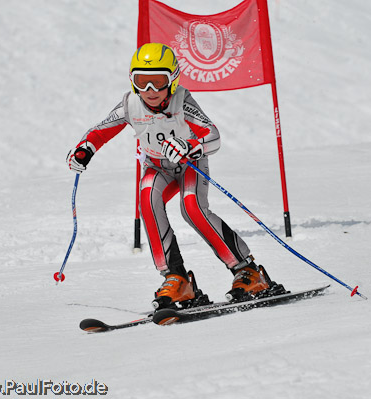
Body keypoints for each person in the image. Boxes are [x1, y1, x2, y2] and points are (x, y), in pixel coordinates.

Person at [67, 43, 285, 309]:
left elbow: (213, 135)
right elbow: (100, 130)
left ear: (172, 80)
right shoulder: (130, 104)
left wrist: (190, 147)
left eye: (157, 82)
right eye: (141, 81)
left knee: (192, 207)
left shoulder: (183, 101)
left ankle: (247, 270)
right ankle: (177, 279)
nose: (149, 91)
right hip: (158, 166)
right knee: (147, 199)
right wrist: (84, 149)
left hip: (189, 165)